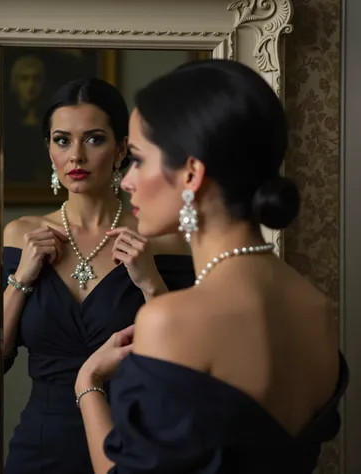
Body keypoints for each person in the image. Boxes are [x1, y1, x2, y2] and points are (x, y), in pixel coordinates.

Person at [74, 59, 348, 474]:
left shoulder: (169, 320)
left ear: (191, 173)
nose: (126, 180)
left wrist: (88, 386)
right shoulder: (316, 309)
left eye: (138, 159)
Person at [2, 77, 195, 474]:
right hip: (40, 447)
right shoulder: (21, 234)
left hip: (133, 442)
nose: (76, 156)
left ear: (122, 148)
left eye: (93, 139)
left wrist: (149, 282)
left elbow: (185, 364)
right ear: (48, 150)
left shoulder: (164, 241)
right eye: (62, 140)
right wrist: (21, 278)